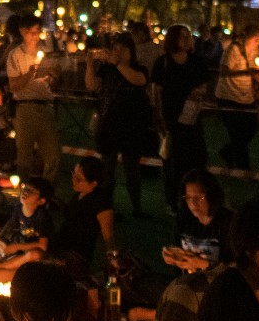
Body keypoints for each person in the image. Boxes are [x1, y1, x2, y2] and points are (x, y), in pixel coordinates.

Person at [87, 31, 157, 214]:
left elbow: (139, 80)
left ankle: (137, 207)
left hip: (132, 126)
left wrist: (117, 63)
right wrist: (89, 63)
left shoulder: (139, 68)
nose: (117, 52)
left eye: (122, 49)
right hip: (109, 124)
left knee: (132, 169)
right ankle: (108, 208)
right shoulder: (107, 69)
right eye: (115, 48)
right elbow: (91, 86)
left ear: (131, 51)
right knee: (107, 171)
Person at [151, 25, 215, 212]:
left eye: (189, 36)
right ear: (173, 40)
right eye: (183, 37)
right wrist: (160, 118)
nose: (188, 40)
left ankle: (196, 196)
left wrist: (199, 91)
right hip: (171, 120)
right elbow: (156, 92)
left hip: (192, 119)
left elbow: (205, 85)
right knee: (173, 163)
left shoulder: (196, 61)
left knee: (197, 158)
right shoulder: (163, 63)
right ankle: (175, 200)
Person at [6, 15, 60, 182]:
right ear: (23, 32)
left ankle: (47, 189)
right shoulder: (15, 55)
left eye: (38, 32)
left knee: (53, 154)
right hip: (25, 107)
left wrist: (52, 76)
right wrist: (30, 73)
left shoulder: (47, 53)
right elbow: (13, 86)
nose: (35, 36)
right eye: (32, 32)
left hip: (46, 106)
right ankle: (24, 189)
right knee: (24, 155)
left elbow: (56, 79)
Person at [214, 27, 259, 169]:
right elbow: (224, 71)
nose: (258, 43)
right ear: (248, 38)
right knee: (237, 133)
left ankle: (228, 152)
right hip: (228, 96)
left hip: (246, 97)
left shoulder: (255, 52)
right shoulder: (233, 49)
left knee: (251, 128)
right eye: (256, 40)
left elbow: (255, 73)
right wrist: (245, 72)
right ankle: (244, 167)